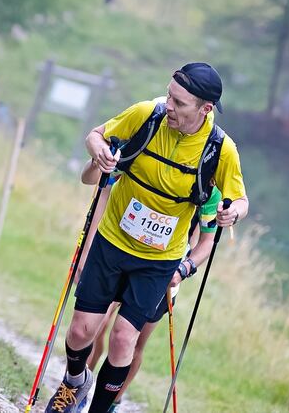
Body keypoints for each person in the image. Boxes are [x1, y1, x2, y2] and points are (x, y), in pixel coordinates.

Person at [45, 62, 248, 412]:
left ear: (205, 108)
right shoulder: (146, 115)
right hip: (112, 242)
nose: (169, 105)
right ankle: (74, 383)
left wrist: (233, 213)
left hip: (158, 260)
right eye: (169, 95)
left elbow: (241, 200)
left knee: (125, 339)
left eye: (179, 102)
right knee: (81, 332)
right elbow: (96, 133)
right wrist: (98, 150)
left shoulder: (220, 149)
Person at [76, 163, 222, 412]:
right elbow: (103, 183)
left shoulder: (207, 185)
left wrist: (183, 269)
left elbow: (202, 239)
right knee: (96, 327)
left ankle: (112, 401)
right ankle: (78, 389)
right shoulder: (155, 157)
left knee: (131, 342)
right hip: (121, 255)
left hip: (161, 272)